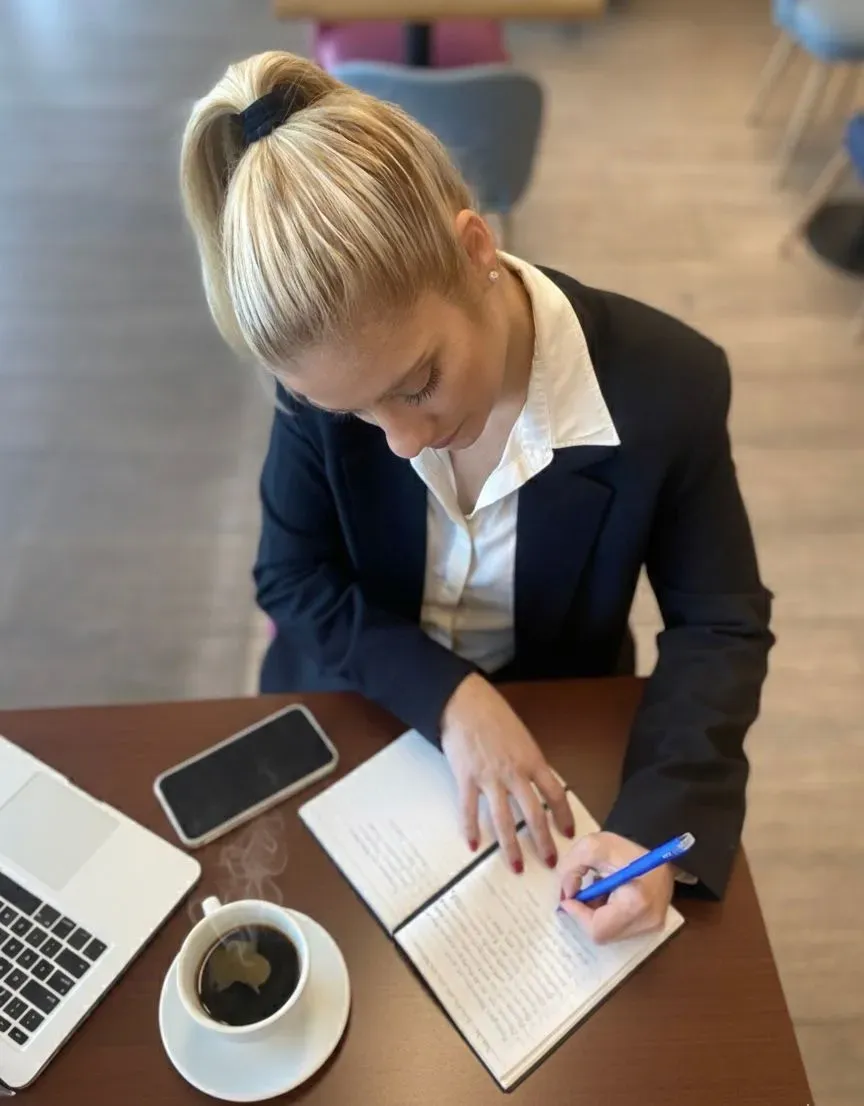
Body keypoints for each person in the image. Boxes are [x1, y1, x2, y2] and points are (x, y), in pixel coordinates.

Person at [180, 51, 774, 945]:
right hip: (359, 703)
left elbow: (720, 623)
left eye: (419, 382)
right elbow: (291, 576)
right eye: (353, 412)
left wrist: (655, 825)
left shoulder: (670, 387)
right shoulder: (322, 375)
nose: (405, 441)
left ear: (475, 249)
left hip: (562, 724)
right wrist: (454, 699)